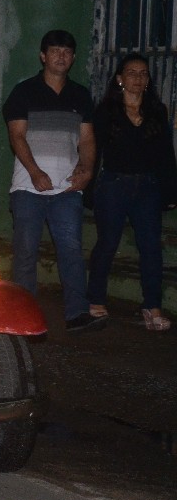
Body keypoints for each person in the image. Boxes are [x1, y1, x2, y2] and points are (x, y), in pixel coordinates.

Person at [3, 29, 103, 333]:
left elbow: (87, 140)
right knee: (25, 251)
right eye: (55, 51)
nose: (61, 56)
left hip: (67, 190)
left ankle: (77, 314)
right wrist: (35, 171)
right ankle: (23, 316)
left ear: (72, 58)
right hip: (27, 189)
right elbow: (16, 136)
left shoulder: (80, 95)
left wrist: (87, 171)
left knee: (71, 250)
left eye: (67, 52)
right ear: (43, 56)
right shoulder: (24, 92)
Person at [87, 53, 177, 330]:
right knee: (107, 243)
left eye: (143, 74)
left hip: (147, 187)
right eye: (132, 73)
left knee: (151, 247)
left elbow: (165, 154)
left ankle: (152, 307)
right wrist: (89, 189)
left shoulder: (156, 111)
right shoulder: (105, 112)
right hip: (114, 185)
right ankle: (95, 299)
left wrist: (170, 191)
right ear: (120, 78)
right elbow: (93, 151)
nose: (138, 78)